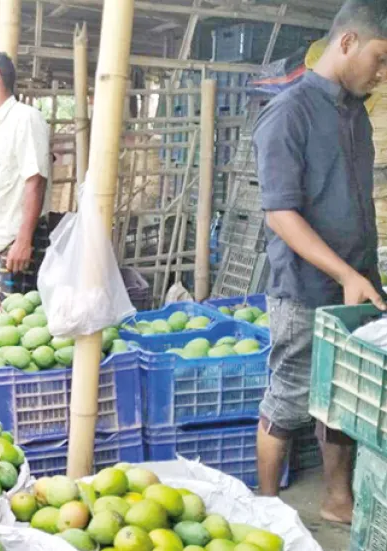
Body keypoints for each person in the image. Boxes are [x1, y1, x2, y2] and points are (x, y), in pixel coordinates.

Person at [252, 0, 387, 523]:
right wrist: (344, 273)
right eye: (379, 59)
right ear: (347, 43)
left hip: (356, 280)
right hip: (305, 286)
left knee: (344, 394)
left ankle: (337, 500)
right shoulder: (289, 112)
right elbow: (281, 215)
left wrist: (360, 274)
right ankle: (266, 508)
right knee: (288, 396)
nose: (382, 72)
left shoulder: (355, 114)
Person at [0, 51, 51, 304]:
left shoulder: (25, 119)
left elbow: (35, 181)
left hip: (15, 244)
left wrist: (24, 241)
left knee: (18, 327)